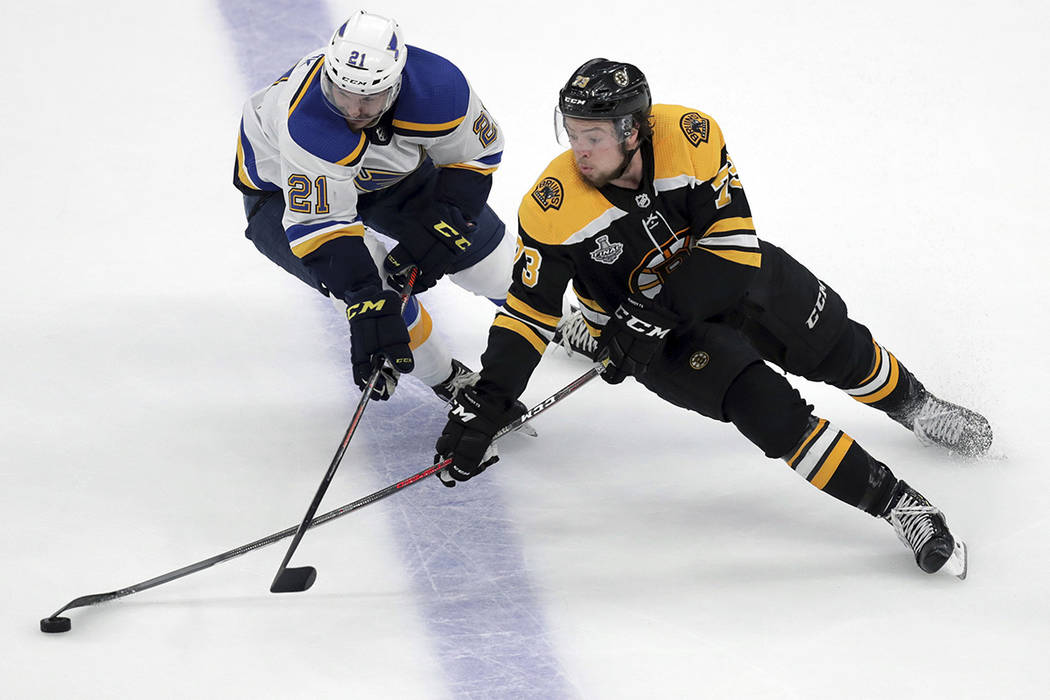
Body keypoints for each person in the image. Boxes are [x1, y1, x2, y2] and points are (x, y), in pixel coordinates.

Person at [433, 58, 994, 577]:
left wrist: (652, 312)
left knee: (837, 349)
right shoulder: (552, 206)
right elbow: (528, 313)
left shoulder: (689, 135)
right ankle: (899, 505)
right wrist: (491, 399)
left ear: (633, 131)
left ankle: (917, 407)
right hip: (655, 340)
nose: (579, 150)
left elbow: (733, 251)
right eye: (572, 132)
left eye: (594, 136)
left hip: (727, 282)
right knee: (769, 412)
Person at [233, 10, 515, 402]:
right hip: (281, 192)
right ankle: (448, 379)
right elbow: (323, 225)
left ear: (396, 85)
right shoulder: (308, 123)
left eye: (369, 97)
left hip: (387, 173)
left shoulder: (439, 88)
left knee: (488, 261)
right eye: (341, 93)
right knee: (378, 294)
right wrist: (364, 298)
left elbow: (476, 156)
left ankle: (553, 318)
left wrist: (449, 218)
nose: (353, 110)